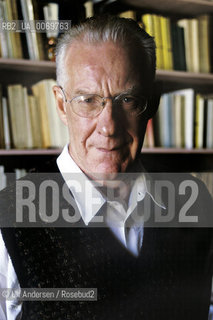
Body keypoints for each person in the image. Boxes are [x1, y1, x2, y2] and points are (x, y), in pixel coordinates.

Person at [0, 15, 213, 320]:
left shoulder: (195, 201)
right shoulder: (9, 218)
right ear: (61, 105)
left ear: (152, 102)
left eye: (128, 99)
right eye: (88, 100)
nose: (109, 127)